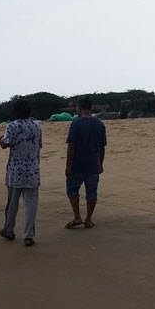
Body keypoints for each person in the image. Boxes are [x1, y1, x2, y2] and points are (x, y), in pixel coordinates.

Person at [0, 99, 42, 247]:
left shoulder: (12, 126)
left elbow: (5, 144)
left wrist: (0, 139)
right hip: (32, 169)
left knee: (12, 203)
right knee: (31, 204)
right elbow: (39, 147)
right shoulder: (37, 127)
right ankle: (29, 235)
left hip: (15, 170)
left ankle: (9, 229)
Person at [64, 96, 107, 229]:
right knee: (92, 193)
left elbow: (71, 146)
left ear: (80, 108)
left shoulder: (76, 123)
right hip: (93, 164)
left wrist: (68, 165)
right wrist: (100, 163)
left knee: (72, 190)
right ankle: (88, 219)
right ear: (90, 108)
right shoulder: (100, 124)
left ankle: (77, 216)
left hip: (77, 164)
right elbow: (102, 147)